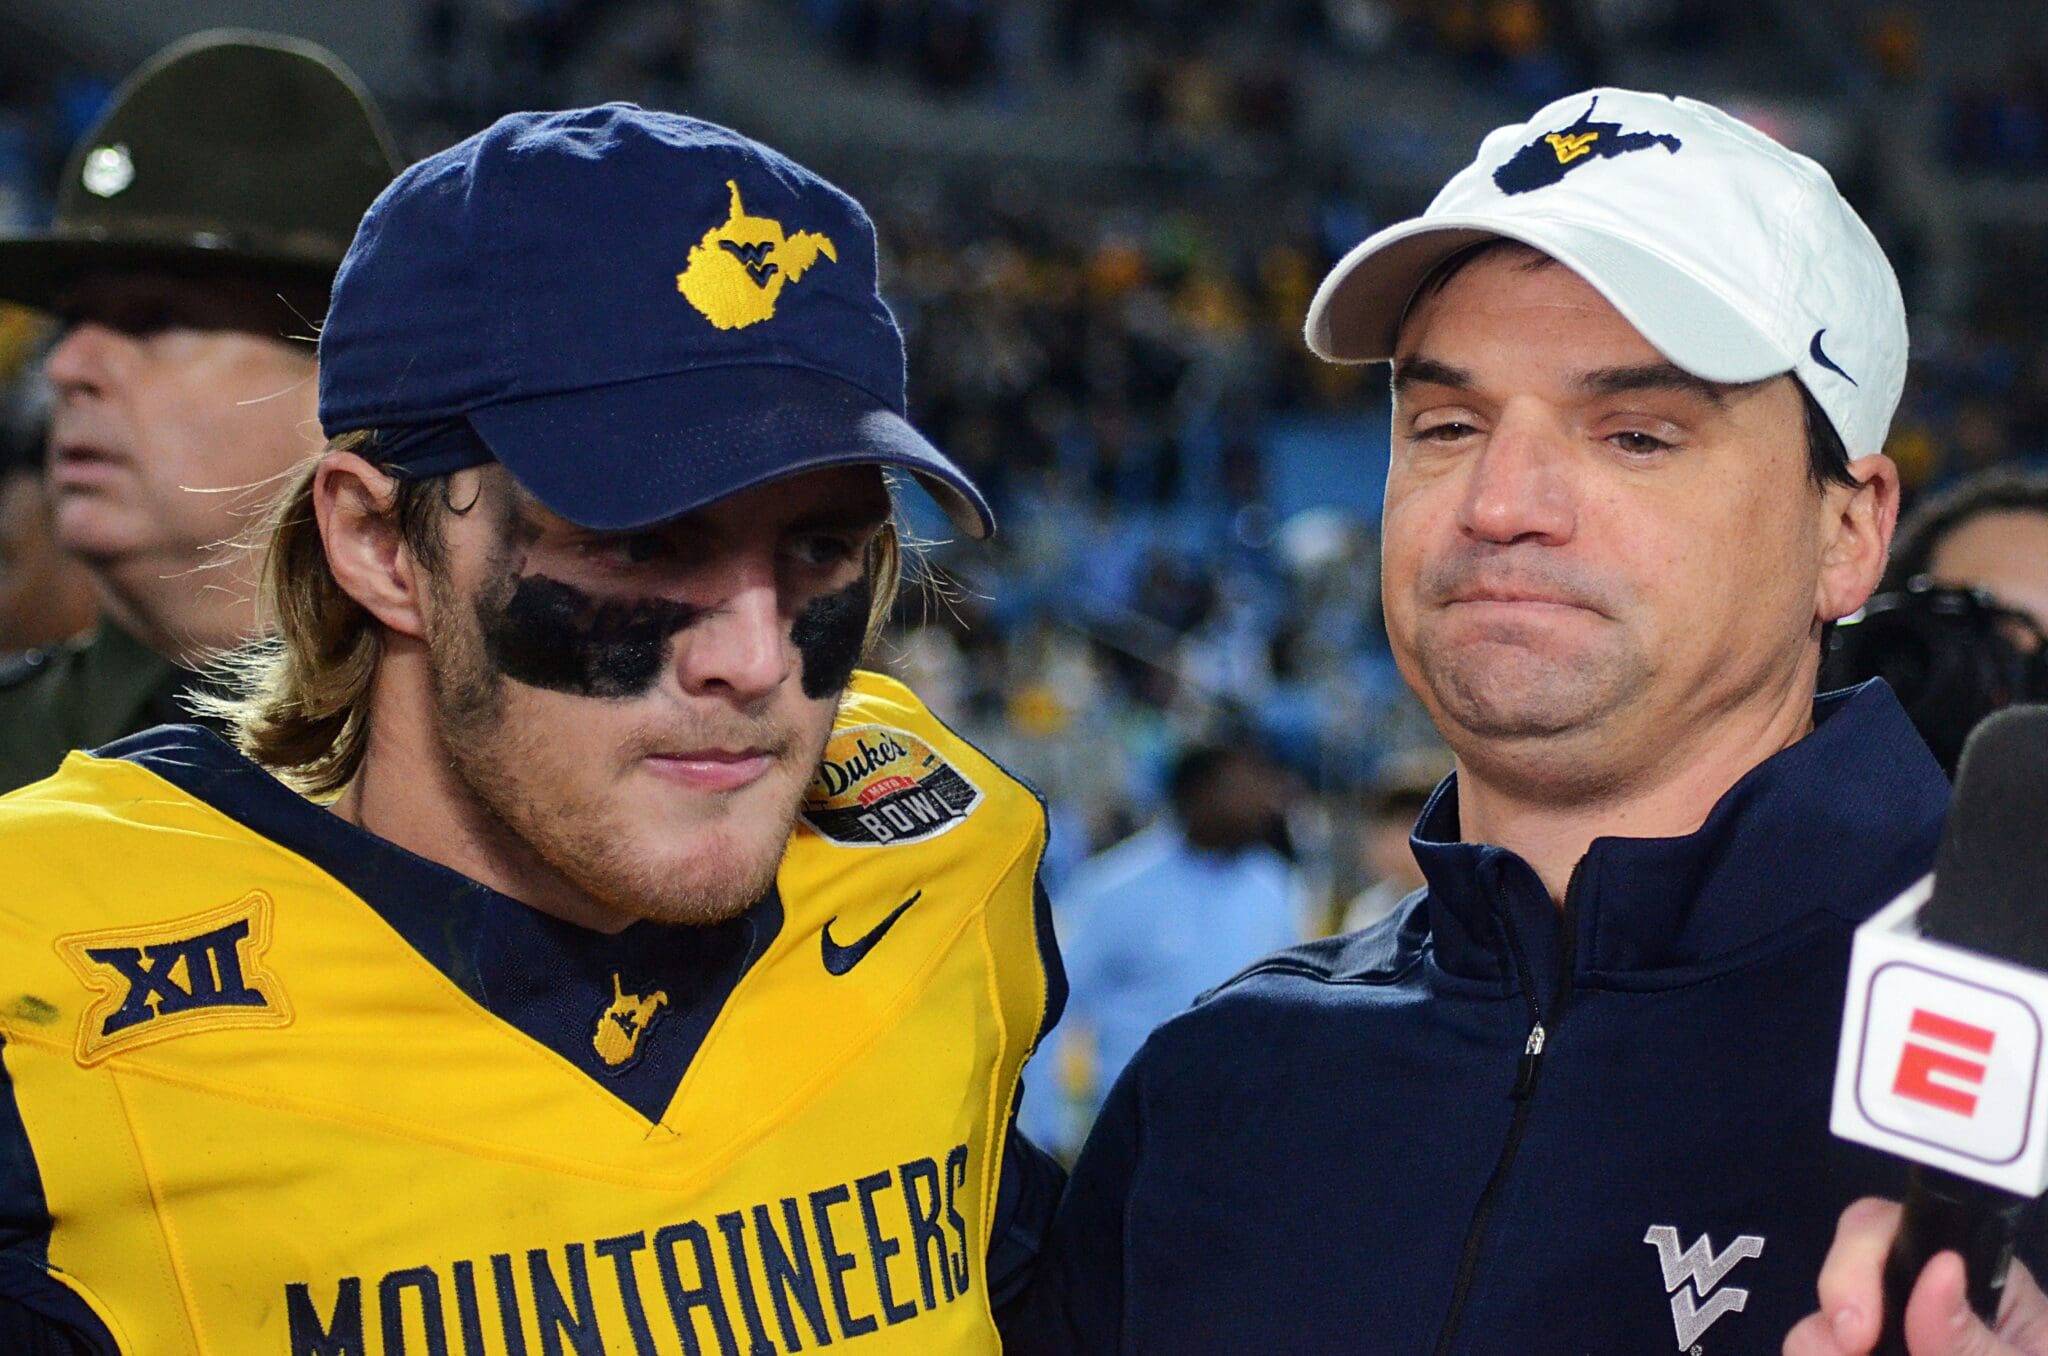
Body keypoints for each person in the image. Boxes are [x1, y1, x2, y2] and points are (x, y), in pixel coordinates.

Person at [0, 105, 1062, 1354]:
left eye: (820, 547)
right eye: (636, 542)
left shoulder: (940, 854)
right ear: (376, 542)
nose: (756, 660)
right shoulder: (51, 972)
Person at [1002, 87, 1977, 1353]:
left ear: (1846, 533)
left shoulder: (2010, 1046)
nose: (1500, 502)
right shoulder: (1225, 1084)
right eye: (1446, 424)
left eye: (1632, 434)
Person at [0, 31, 399, 791]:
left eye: (153, 320)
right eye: (71, 322)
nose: (68, 368)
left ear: (344, 381)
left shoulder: (466, 780)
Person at [1019, 742, 1305, 1158]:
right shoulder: (1115, 889)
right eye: (1241, 788)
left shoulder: (1274, 885)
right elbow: (1048, 1006)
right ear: (1195, 796)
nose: (1260, 802)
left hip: (1250, 1131)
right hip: (1141, 1134)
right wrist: (1046, 1129)